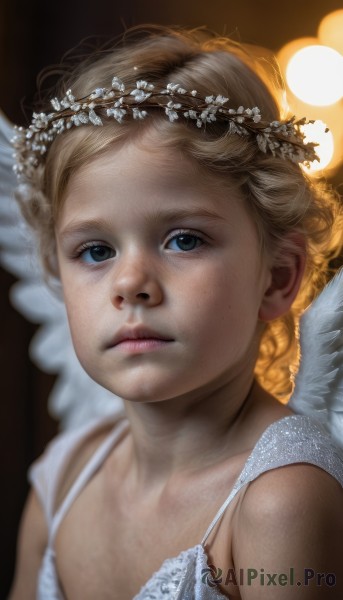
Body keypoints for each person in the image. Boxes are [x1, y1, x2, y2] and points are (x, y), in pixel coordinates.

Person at [8, 26, 343, 599]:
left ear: (278, 277)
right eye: (95, 251)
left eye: (184, 240)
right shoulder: (60, 480)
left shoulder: (280, 501)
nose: (131, 283)